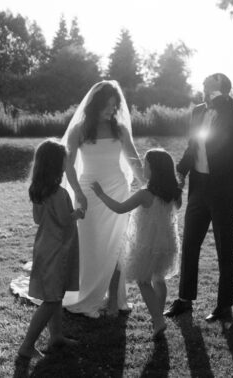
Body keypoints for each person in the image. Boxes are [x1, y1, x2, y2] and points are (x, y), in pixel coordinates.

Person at [165, 73, 233, 324]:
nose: (203, 90)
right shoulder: (198, 112)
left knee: (225, 249)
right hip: (199, 187)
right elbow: (193, 145)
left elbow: (231, 140)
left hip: (225, 190)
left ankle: (224, 306)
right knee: (190, 244)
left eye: (208, 87)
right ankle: (184, 300)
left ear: (222, 90)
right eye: (203, 86)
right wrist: (180, 171)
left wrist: (222, 104)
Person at [61, 80, 143, 317]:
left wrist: (150, 185)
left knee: (117, 245)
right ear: (95, 105)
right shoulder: (79, 130)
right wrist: (77, 191)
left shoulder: (120, 129)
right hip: (88, 191)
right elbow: (68, 164)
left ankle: (113, 300)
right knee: (91, 244)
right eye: (106, 106)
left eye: (114, 106)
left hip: (117, 189)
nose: (111, 110)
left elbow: (134, 160)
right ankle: (88, 294)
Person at [91, 148, 182, 339]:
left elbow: (120, 208)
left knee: (143, 281)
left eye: (146, 164)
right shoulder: (174, 193)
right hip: (167, 244)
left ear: (154, 169)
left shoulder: (144, 194)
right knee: (159, 278)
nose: (143, 167)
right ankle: (158, 316)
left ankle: (158, 320)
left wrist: (100, 194)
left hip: (147, 245)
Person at [16, 139, 83, 363]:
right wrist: (78, 213)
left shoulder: (39, 191)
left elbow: (37, 219)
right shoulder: (59, 193)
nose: (67, 161)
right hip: (58, 249)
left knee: (55, 294)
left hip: (44, 246)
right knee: (52, 300)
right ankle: (27, 345)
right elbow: (65, 220)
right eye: (65, 158)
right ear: (56, 163)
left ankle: (56, 337)